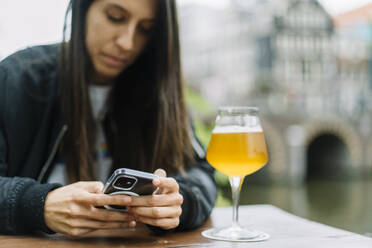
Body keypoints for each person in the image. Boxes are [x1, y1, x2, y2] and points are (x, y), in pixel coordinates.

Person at [0, 0, 217, 237]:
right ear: (83, 9)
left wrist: (177, 203)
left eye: (145, 29)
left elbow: (201, 175)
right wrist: (38, 205)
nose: (127, 43)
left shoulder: (160, 93)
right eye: (115, 16)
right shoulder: (16, 79)